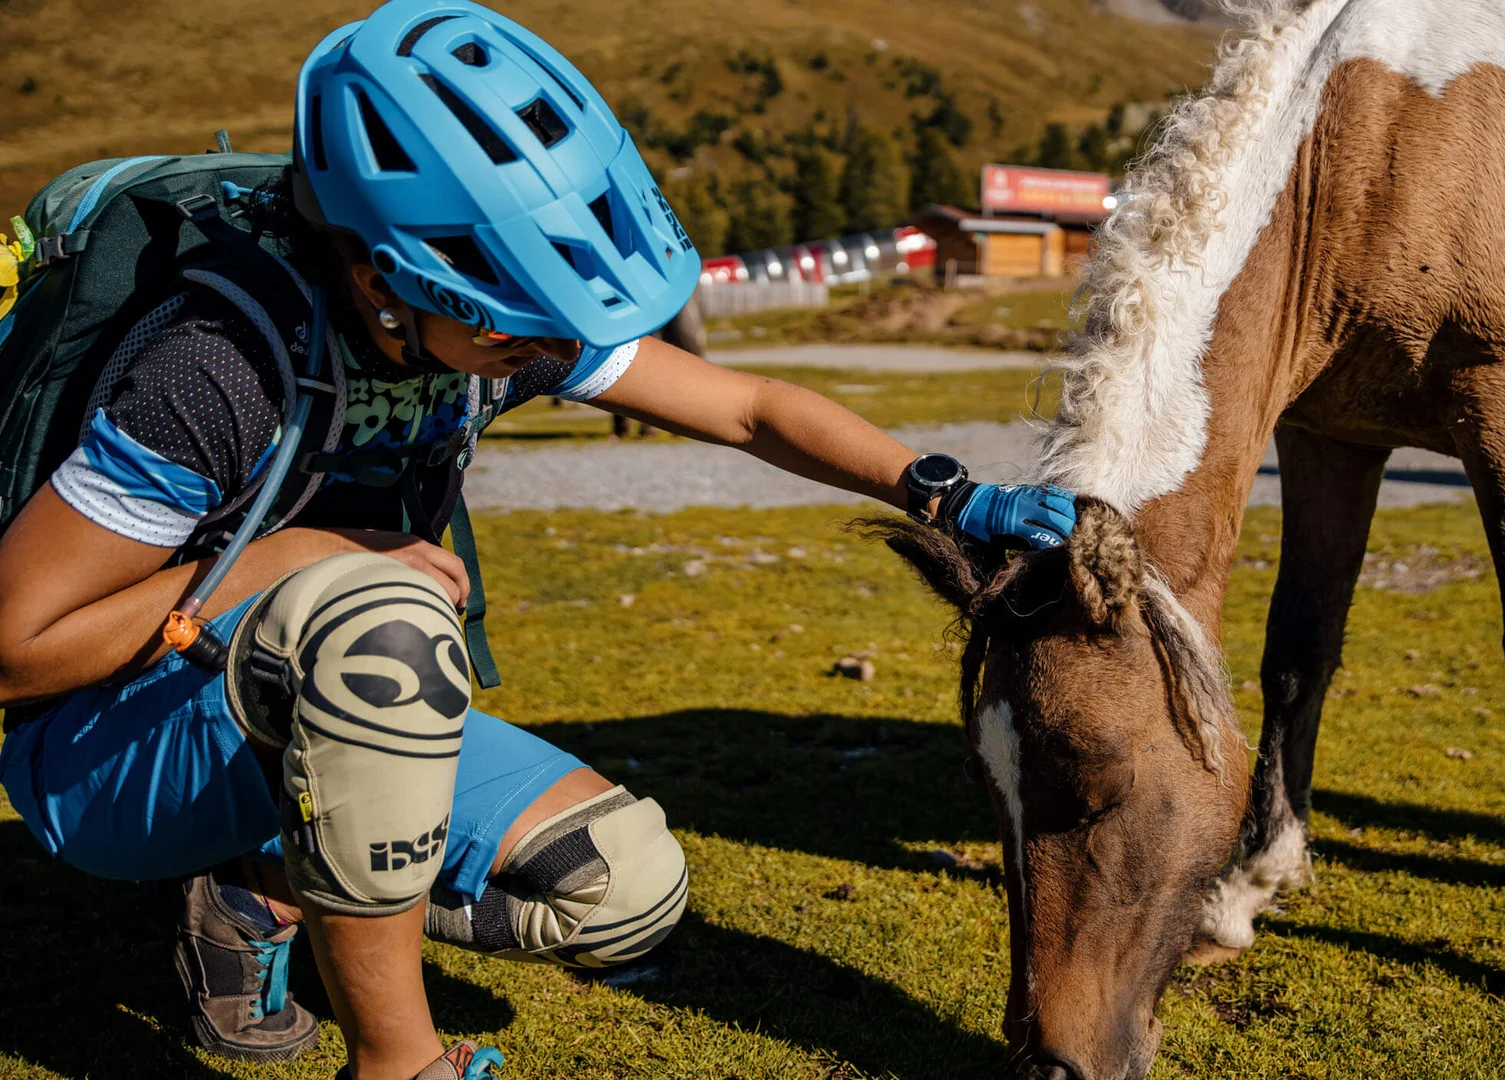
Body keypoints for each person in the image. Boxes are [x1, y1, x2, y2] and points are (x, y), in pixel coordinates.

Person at [0, 3, 1077, 1079]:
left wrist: (942, 494)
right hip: (98, 753)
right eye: (518, 318)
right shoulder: (215, 369)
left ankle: (261, 882)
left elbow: (745, 407)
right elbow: (15, 652)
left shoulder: (500, 327)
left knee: (625, 888)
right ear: (383, 278)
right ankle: (397, 1064)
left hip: (300, 698)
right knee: (380, 618)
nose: (551, 348)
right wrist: (302, 558)